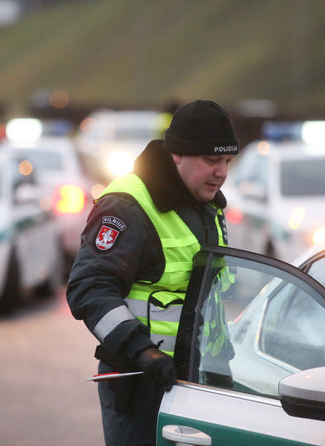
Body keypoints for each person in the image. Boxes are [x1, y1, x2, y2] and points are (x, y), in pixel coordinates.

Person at [66, 99, 239, 446]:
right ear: (177, 155)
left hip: (202, 379)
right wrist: (142, 350)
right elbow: (89, 287)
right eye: (211, 160)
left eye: (227, 161)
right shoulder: (128, 206)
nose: (222, 172)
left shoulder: (207, 203)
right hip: (143, 381)